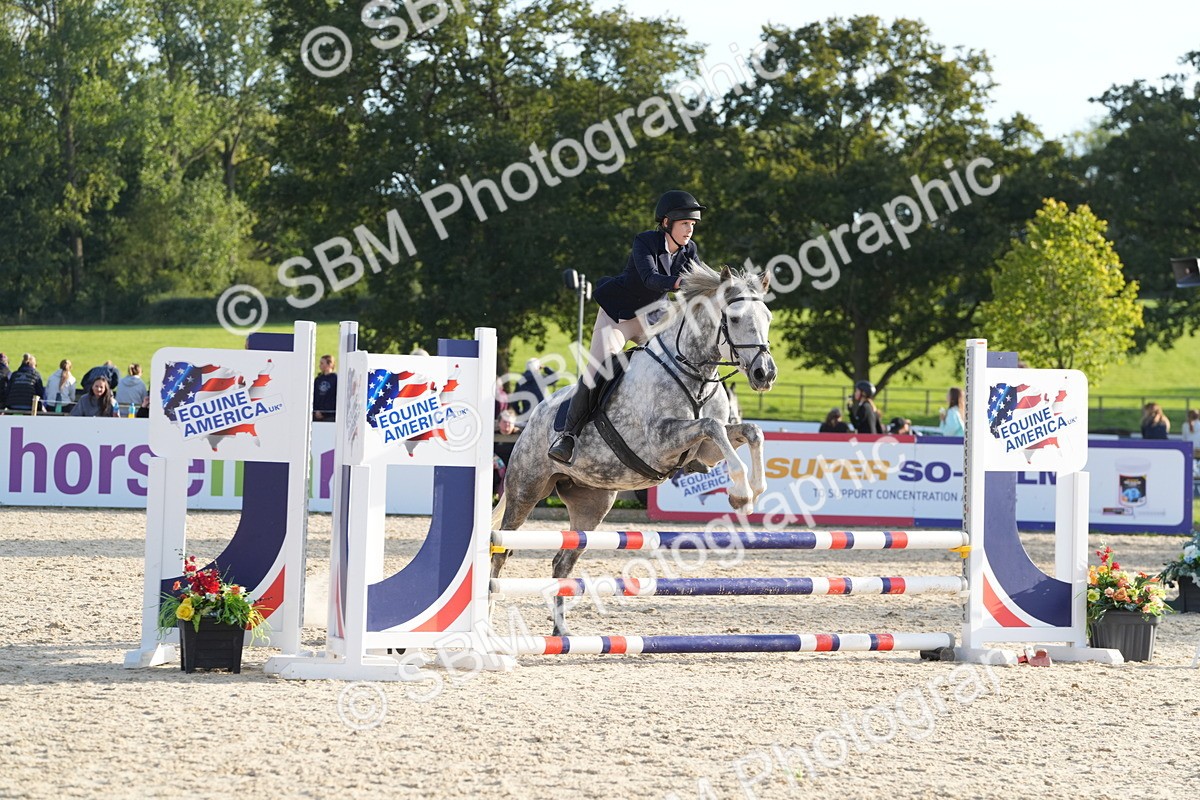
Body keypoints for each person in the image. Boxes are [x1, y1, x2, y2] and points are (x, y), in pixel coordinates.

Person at [548, 189, 705, 464]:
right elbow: (649, 278)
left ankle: (686, 445)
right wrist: (680, 283)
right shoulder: (645, 241)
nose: (689, 230)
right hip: (617, 317)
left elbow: (700, 278)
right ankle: (568, 437)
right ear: (667, 223)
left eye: (692, 225)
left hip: (650, 319)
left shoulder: (689, 250)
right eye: (684, 224)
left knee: (675, 366)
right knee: (600, 368)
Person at [313, 354, 337, 421]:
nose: (320, 365)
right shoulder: (318, 379)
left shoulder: (335, 379)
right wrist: (316, 410)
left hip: (330, 414)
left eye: (322, 363)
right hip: (316, 414)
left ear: (330, 364)